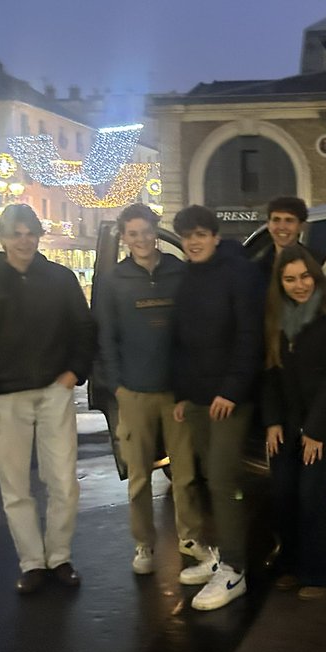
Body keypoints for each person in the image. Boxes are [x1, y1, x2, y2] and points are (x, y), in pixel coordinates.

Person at [0, 204, 96, 595]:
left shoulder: (59, 278)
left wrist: (73, 373)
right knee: (15, 487)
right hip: (5, 396)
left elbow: (83, 329)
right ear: (2, 239)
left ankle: (60, 556)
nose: (24, 241)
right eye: (16, 234)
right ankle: (33, 562)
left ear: (38, 236)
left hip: (54, 389)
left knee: (64, 481)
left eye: (30, 233)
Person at [94, 203, 209, 577]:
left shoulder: (181, 272)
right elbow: (106, 338)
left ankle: (189, 537)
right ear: (124, 238)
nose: (141, 239)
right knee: (140, 474)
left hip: (177, 392)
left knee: (186, 472)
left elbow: (194, 329)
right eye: (133, 234)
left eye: (146, 232)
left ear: (156, 233)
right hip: (135, 392)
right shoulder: (114, 280)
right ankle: (144, 543)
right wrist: (118, 387)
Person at [171, 205, 265, 611]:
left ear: (214, 235)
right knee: (211, 477)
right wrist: (181, 393)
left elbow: (250, 335)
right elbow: (180, 339)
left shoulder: (239, 272)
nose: (193, 241)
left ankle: (235, 569)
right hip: (196, 397)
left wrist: (232, 389)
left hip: (229, 399)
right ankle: (224, 556)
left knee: (225, 480)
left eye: (200, 234)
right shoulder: (188, 276)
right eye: (187, 235)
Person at [262, 245, 326, 600]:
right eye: (289, 279)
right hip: (288, 422)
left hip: (322, 425)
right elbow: (270, 372)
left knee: (312, 497)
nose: (299, 285)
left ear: (315, 275)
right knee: (284, 493)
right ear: (280, 283)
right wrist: (272, 420)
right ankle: (290, 564)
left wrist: (316, 431)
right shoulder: (277, 317)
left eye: (305, 276)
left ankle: (322, 573)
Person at [257, 195, 308, 280]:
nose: (282, 227)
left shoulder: (318, 264)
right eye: (276, 220)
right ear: (268, 225)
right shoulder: (256, 268)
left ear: (301, 226)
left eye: (289, 220)